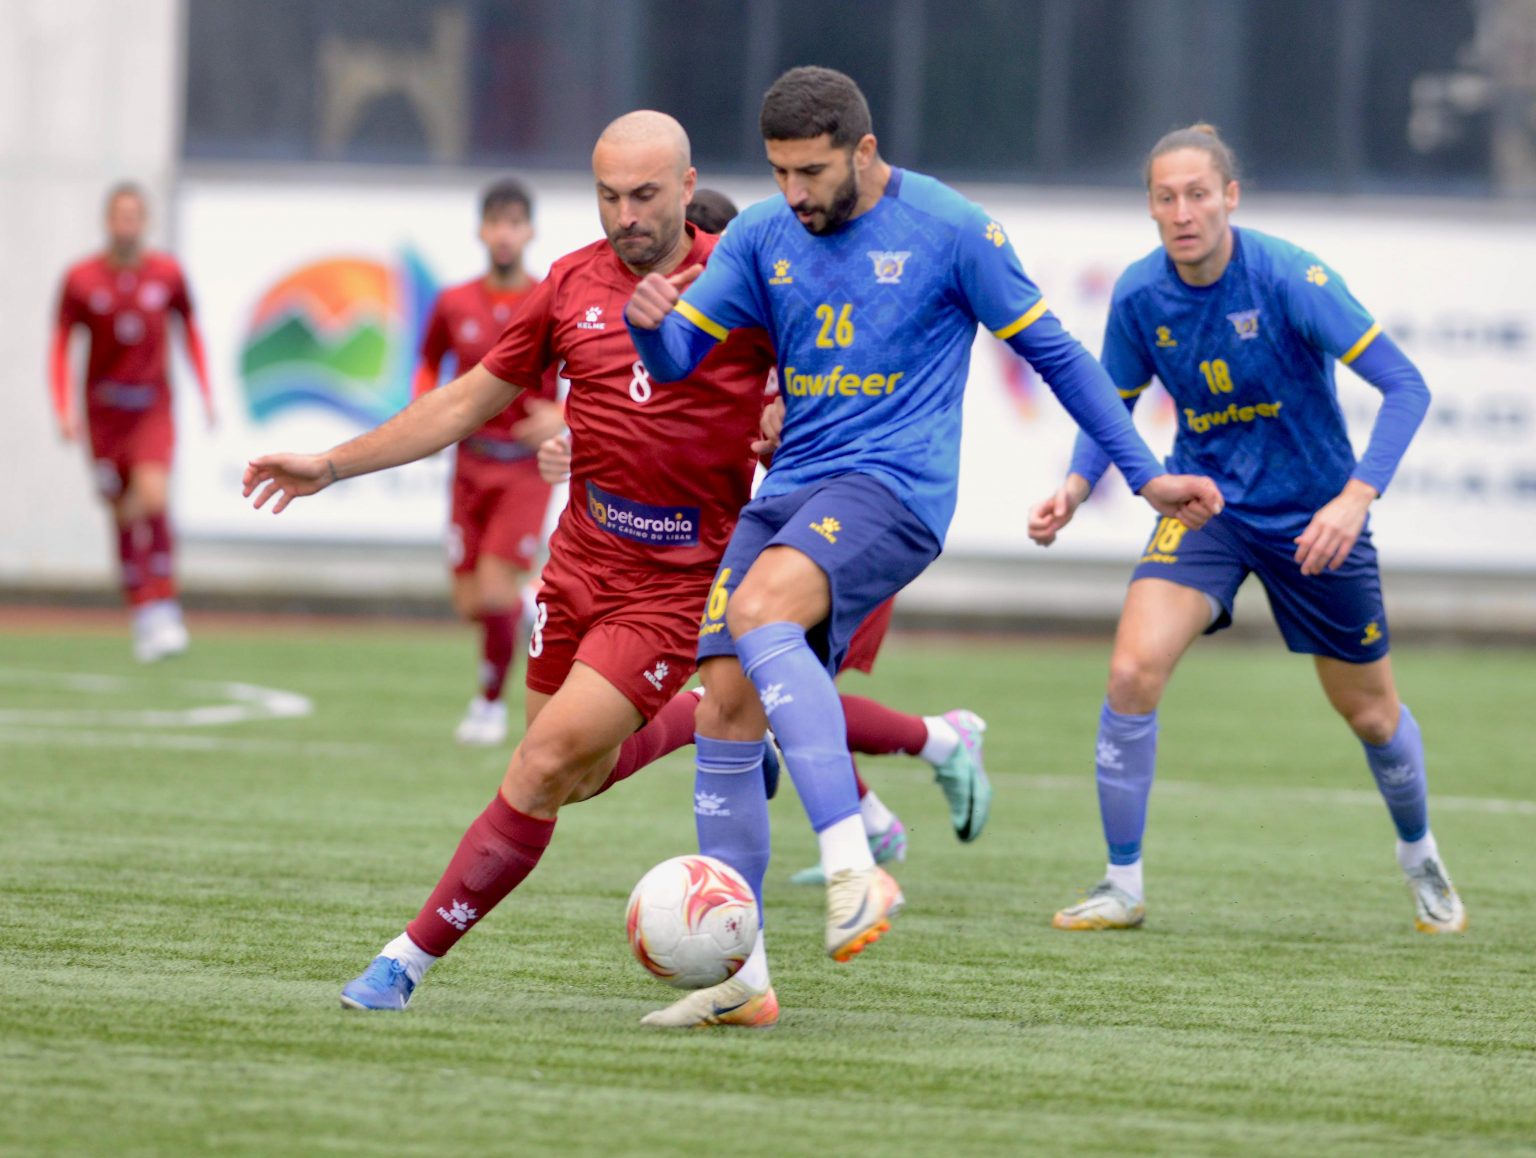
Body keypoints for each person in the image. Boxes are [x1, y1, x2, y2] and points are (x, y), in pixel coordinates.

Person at [624, 66, 1224, 1028]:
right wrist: (646, 327)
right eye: (779, 172)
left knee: (761, 611)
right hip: (790, 490)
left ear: (864, 150)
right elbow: (677, 359)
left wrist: (1145, 475)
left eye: (812, 172)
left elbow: (1058, 357)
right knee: (725, 704)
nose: (794, 193)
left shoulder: (950, 228)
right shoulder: (762, 234)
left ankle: (854, 862)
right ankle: (743, 978)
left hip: (894, 490)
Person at [244, 110, 779, 1014]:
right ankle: (700, 719)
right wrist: (331, 465)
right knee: (575, 774)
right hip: (578, 563)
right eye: (608, 196)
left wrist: (787, 414)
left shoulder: (749, 282)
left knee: (535, 766)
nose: (625, 215)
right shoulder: (569, 283)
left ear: (688, 189)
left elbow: (823, 384)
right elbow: (464, 402)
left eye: (645, 195)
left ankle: (404, 962)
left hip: (676, 585)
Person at [1027, 123, 1463, 935]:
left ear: (1230, 196)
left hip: (1315, 520)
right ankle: (1122, 884)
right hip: (1208, 509)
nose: (1182, 212)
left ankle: (1420, 856)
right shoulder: (1139, 294)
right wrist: (1077, 487)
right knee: (1131, 671)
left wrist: (1354, 499)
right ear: (1150, 207)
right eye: (1166, 197)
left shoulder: (1289, 277)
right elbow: (1111, 406)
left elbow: (1406, 386)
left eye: (1198, 194)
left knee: (1372, 715)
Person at [536, 413, 993, 879]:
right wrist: (586, 442)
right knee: (763, 697)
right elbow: (668, 410)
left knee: (773, 696)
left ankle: (932, 748)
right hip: (780, 533)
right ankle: (877, 814)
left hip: (838, 532)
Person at [413, 179, 564, 745]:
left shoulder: (547, 298)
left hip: (525, 466)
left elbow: (591, 368)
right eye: (496, 223)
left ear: (530, 231)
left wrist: (563, 414)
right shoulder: (454, 302)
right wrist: (425, 413)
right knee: (470, 600)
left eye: (515, 223)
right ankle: (526, 608)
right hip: (470, 462)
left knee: (495, 589)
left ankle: (489, 705)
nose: (504, 234)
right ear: (481, 230)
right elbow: (428, 362)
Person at [52, 182, 215, 662]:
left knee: (154, 496)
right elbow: (60, 345)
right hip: (104, 413)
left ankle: (166, 602)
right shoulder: (81, 280)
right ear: (108, 221)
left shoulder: (167, 275)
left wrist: (206, 392)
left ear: (145, 222)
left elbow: (191, 330)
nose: (127, 224)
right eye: (119, 215)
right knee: (123, 511)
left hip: (151, 407)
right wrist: (63, 408)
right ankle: (143, 611)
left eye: (134, 216)